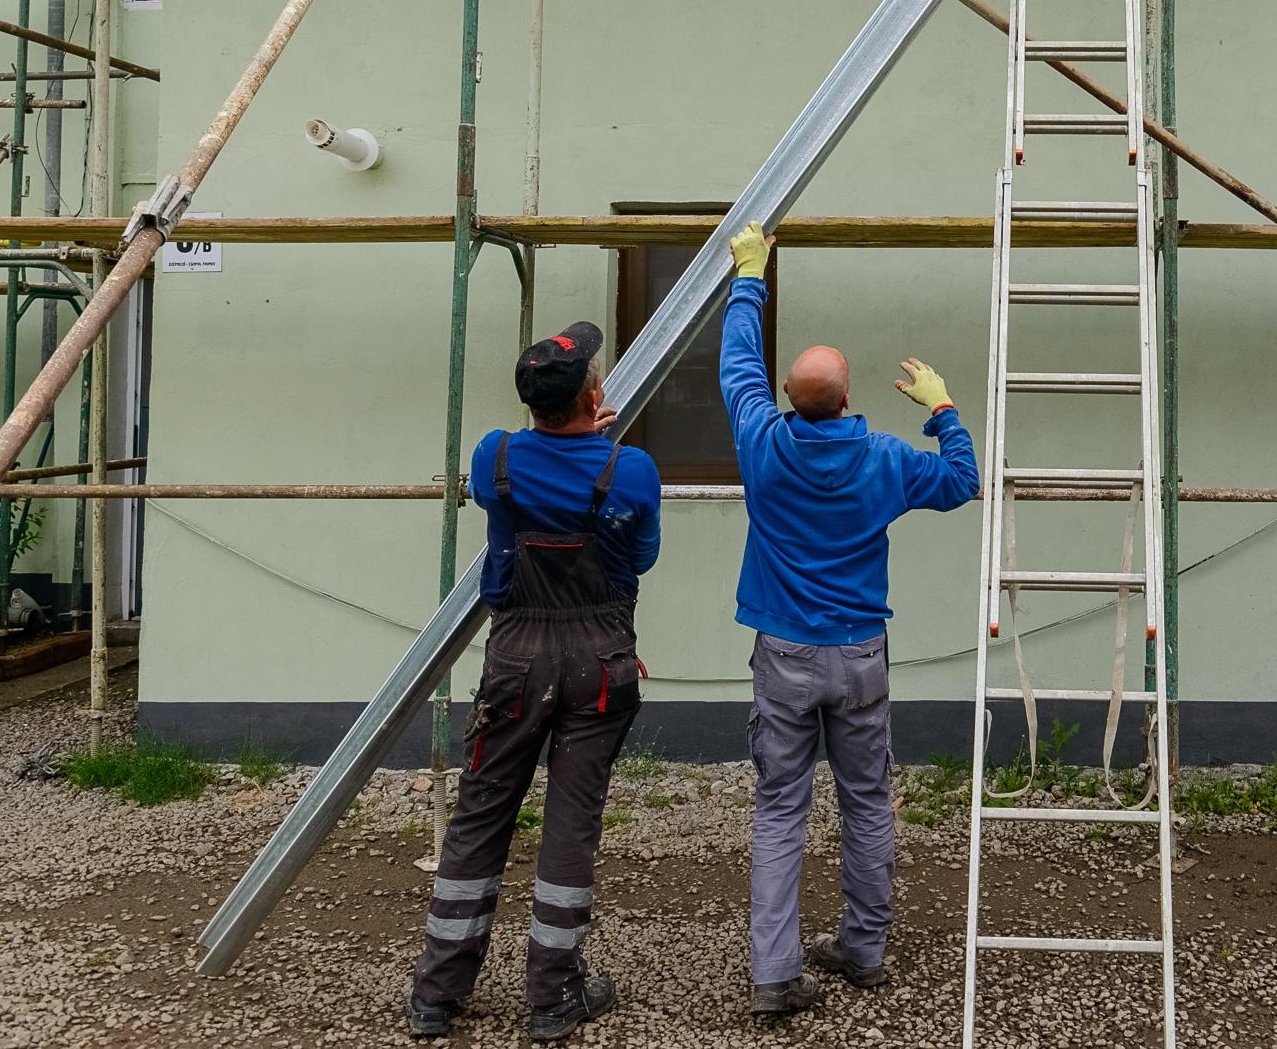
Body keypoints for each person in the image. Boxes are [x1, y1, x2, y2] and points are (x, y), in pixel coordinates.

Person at [718, 222, 979, 1015]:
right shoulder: (886, 460)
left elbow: (737, 365)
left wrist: (751, 276)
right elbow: (963, 478)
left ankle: (775, 974)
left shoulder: (761, 441)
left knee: (778, 809)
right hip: (860, 655)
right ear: (850, 398)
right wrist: (941, 407)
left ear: (787, 402)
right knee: (866, 803)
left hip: (785, 654)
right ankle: (863, 951)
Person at [406, 322, 663, 1042]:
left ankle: (436, 995)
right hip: (599, 665)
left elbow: (538, 461)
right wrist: (599, 451)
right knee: (571, 824)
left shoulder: (496, 457)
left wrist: (577, 439)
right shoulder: (631, 470)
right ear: (594, 394)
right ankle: (553, 996)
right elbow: (638, 559)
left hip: (514, 661)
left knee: (481, 815)